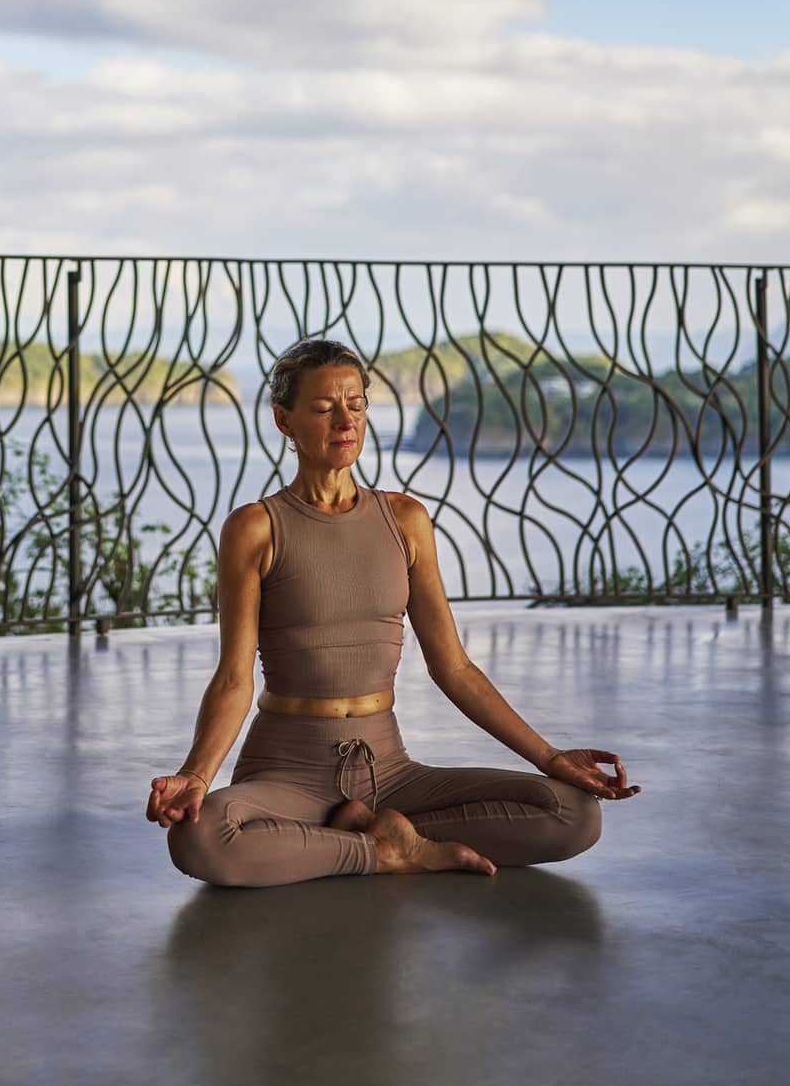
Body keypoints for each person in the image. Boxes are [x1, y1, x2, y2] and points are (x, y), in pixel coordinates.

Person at [147, 337, 641, 885]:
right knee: (200, 836)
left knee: (573, 814)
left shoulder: (405, 520)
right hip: (286, 772)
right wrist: (196, 775)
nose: (345, 420)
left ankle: (360, 834)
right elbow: (235, 678)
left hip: (392, 770)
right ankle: (391, 850)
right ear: (284, 421)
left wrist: (549, 759)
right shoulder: (256, 527)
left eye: (356, 405)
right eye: (323, 408)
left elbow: (452, 667)